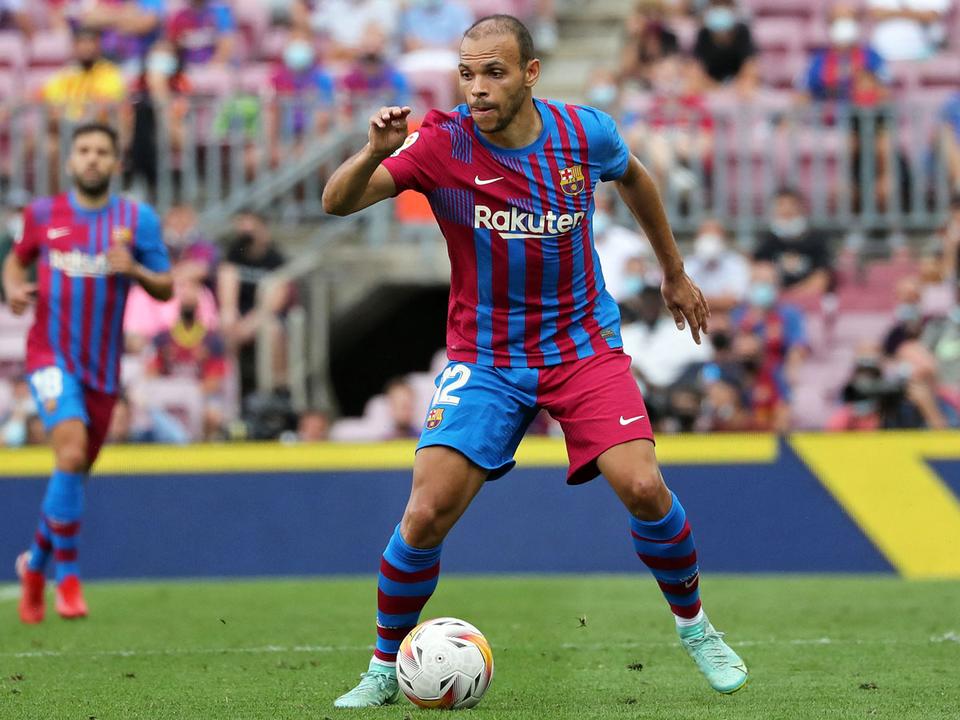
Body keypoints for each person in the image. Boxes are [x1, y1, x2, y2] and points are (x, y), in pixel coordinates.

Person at [321, 14, 746, 708]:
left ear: (530, 73)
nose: (477, 88)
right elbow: (336, 202)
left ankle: (696, 627)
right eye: (467, 73)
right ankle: (381, 665)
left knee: (643, 486)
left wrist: (674, 273)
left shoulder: (585, 133)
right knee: (425, 512)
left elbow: (636, 179)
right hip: (486, 357)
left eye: (493, 72)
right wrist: (373, 152)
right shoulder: (441, 144)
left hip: (581, 345)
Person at [3, 123, 173, 623]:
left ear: (116, 163)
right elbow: (15, 262)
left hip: (101, 369)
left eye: (102, 151)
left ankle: (35, 567)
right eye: (84, 150)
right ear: (70, 161)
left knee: (72, 471)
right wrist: (12, 288)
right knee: (72, 452)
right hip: (49, 357)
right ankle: (69, 579)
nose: (93, 158)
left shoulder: (136, 219)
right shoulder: (42, 214)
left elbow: (166, 286)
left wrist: (134, 270)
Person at [753, 188, 832, 304]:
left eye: (791, 205)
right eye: (781, 205)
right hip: (775, 304)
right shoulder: (766, 240)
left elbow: (821, 279)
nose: (786, 210)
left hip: (809, 302)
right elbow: (759, 274)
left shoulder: (816, 239)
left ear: (801, 207)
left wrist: (792, 297)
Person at [692, 0, 758, 95]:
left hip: (738, 87)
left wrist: (739, 86)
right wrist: (716, 89)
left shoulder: (743, 32)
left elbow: (750, 65)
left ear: (733, 10)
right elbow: (696, 68)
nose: (720, 10)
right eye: (716, 6)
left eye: (725, 6)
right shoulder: (703, 34)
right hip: (710, 86)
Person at [685, 218, 749, 312]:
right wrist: (720, 300)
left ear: (723, 239)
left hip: (729, 317)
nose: (710, 243)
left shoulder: (737, 264)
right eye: (706, 238)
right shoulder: (688, 265)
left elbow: (735, 300)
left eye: (713, 238)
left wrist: (699, 300)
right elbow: (685, 299)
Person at [867, 0, 951, 62]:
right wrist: (913, 13)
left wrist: (894, 12)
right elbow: (877, 13)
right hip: (883, 51)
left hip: (923, 51)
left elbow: (930, 16)